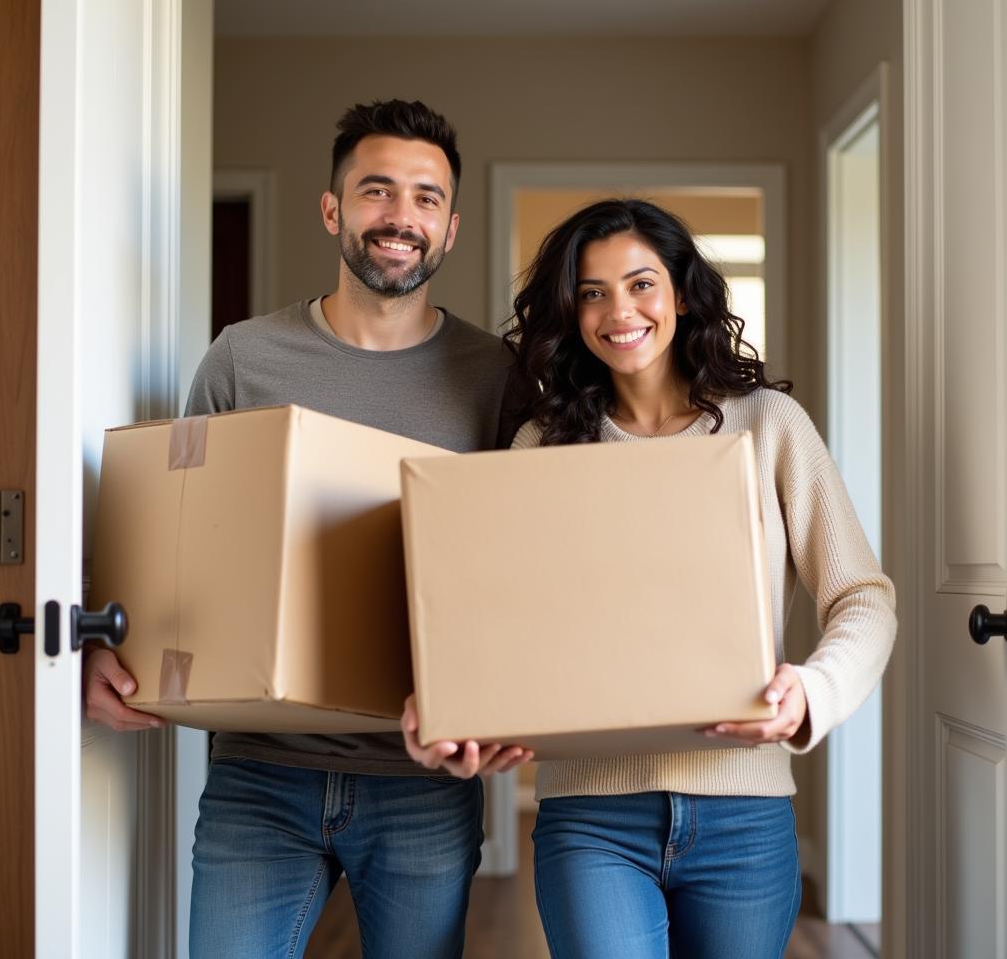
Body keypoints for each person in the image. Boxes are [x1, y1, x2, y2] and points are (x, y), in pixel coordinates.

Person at [82, 99, 531, 959]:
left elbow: (521, 567)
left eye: (426, 199)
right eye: (377, 192)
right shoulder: (244, 358)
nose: (401, 217)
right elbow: (170, 532)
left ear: (451, 227)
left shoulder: (498, 378)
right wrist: (109, 635)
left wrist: (510, 700)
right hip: (260, 771)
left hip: (423, 779)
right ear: (333, 211)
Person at [404, 198, 897, 958]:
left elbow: (863, 597)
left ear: (681, 294)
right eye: (592, 293)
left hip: (745, 814)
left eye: (640, 284)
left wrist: (813, 692)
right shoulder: (542, 444)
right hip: (590, 816)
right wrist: (454, 707)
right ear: (570, 313)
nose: (617, 311)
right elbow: (497, 616)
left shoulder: (768, 426)